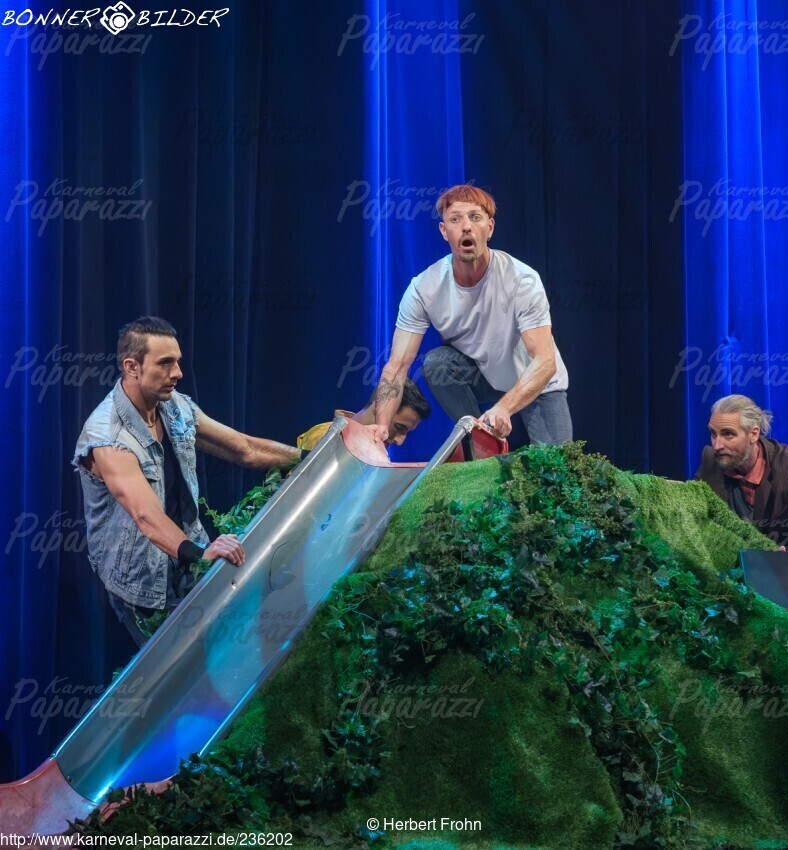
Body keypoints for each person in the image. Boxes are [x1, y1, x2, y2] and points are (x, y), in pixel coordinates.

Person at [73, 317, 304, 646]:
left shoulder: (175, 406)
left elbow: (245, 448)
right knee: (173, 668)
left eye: (178, 362)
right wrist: (201, 554)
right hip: (141, 583)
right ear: (132, 367)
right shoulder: (108, 436)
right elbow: (145, 515)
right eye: (165, 363)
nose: (178, 373)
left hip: (188, 561)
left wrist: (310, 456)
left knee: (219, 653)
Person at [366, 185, 571, 446]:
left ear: (490, 228)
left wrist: (504, 408)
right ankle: (480, 439)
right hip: (483, 375)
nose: (466, 227)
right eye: (455, 219)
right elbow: (397, 366)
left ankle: (494, 434)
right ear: (444, 231)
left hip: (536, 382)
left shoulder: (522, 280)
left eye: (475, 217)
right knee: (437, 363)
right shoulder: (424, 288)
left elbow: (545, 361)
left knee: (557, 465)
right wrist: (382, 425)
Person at [695, 394, 788, 554]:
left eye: (728, 434)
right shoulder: (711, 460)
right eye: (713, 434)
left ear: (753, 434)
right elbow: (693, 513)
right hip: (752, 564)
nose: (717, 445)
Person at [297, 377, 431, 451]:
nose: (400, 442)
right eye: (399, 427)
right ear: (379, 406)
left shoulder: (372, 452)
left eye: (406, 433)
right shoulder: (324, 437)